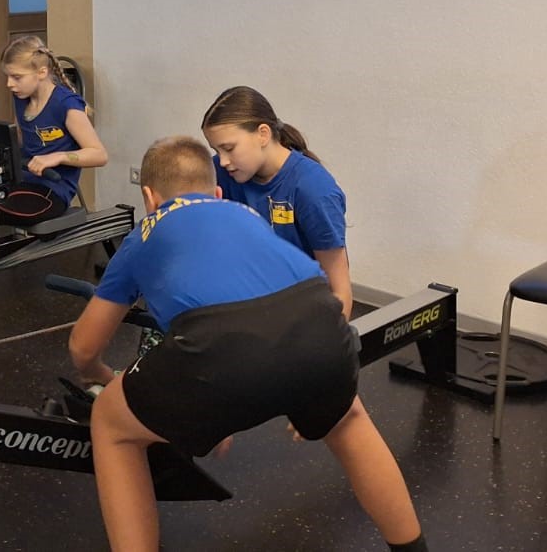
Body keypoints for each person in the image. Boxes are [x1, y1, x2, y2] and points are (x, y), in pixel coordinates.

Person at [67, 137, 427, 552]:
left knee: (112, 424)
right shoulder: (246, 214)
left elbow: (83, 348)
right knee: (348, 418)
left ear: (150, 198)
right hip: (323, 326)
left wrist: (102, 377)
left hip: (223, 350)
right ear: (217, 192)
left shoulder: (143, 234)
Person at [201, 85, 353, 318]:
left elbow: (339, 292)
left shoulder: (313, 189)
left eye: (229, 148)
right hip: (244, 300)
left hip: (298, 311)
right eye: (217, 151)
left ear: (263, 134)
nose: (222, 161)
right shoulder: (220, 173)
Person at [0, 35, 108, 226]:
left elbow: (99, 155)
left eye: (17, 77)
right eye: (8, 77)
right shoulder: (21, 97)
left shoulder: (66, 105)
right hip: (23, 181)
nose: (9, 84)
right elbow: (21, 140)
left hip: (52, 190)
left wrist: (57, 157)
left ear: (41, 72)